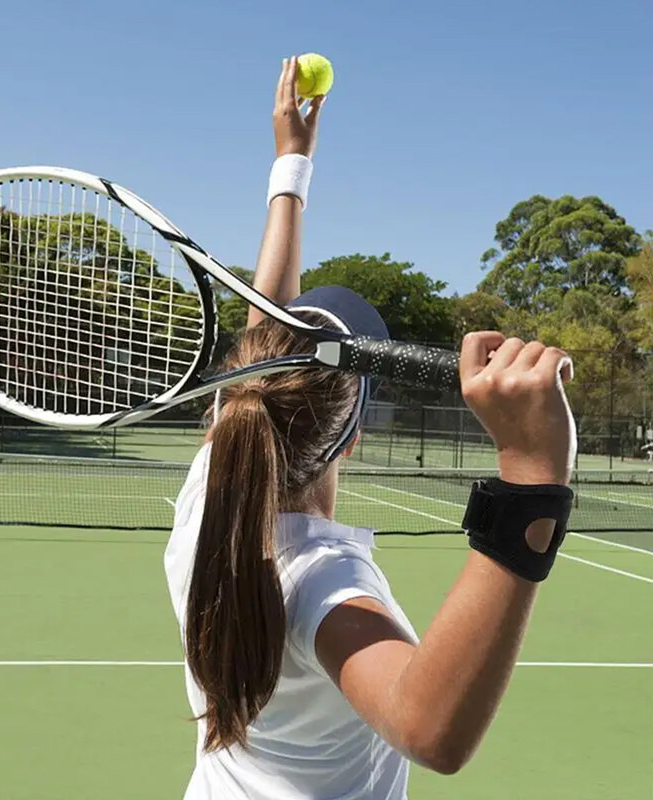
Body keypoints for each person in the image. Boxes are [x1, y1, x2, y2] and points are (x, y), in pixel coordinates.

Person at [164, 57, 577, 800]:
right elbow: (430, 730)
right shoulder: (323, 582)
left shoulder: (209, 497)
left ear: (239, 396)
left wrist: (291, 164)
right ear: (353, 437)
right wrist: (533, 475)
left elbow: (268, 336)